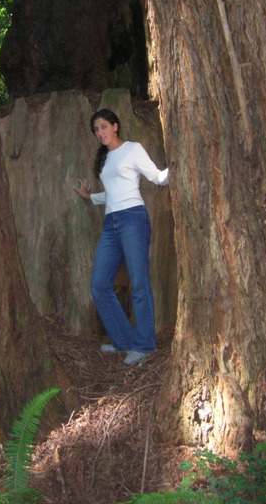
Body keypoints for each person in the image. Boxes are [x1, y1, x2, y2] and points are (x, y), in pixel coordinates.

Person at [75, 109, 169, 365]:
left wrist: (179, 164)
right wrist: (88, 197)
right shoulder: (105, 158)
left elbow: (157, 177)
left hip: (133, 220)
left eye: (104, 126)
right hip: (111, 224)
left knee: (139, 282)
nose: (100, 133)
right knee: (99, 284)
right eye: (96, 129)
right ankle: (124, 341)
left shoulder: (132, 149)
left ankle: (144, 345)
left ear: (115, 126)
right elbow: (111, 193)